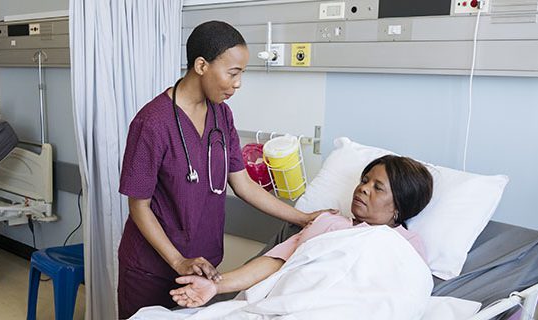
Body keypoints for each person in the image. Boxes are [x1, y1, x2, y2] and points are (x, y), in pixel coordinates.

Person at [118, 21, 317, 318]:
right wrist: (178, 261)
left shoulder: (221, 115)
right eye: (232, 73)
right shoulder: (152, 123)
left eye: (241, 74)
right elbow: (139, 206)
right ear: (201, 65)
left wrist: (303, 218)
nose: (238, 83)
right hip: (151, 268)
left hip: (203, 265)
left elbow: (243, 184)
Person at [168, 155, 434, 308]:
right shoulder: (329, 222)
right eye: (365, 181)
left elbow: (404, 295)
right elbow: (275, 263)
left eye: (378, 187)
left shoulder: (406, 245)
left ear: (399, 206)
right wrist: (215, 286)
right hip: (295, 304)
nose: (363, 188)